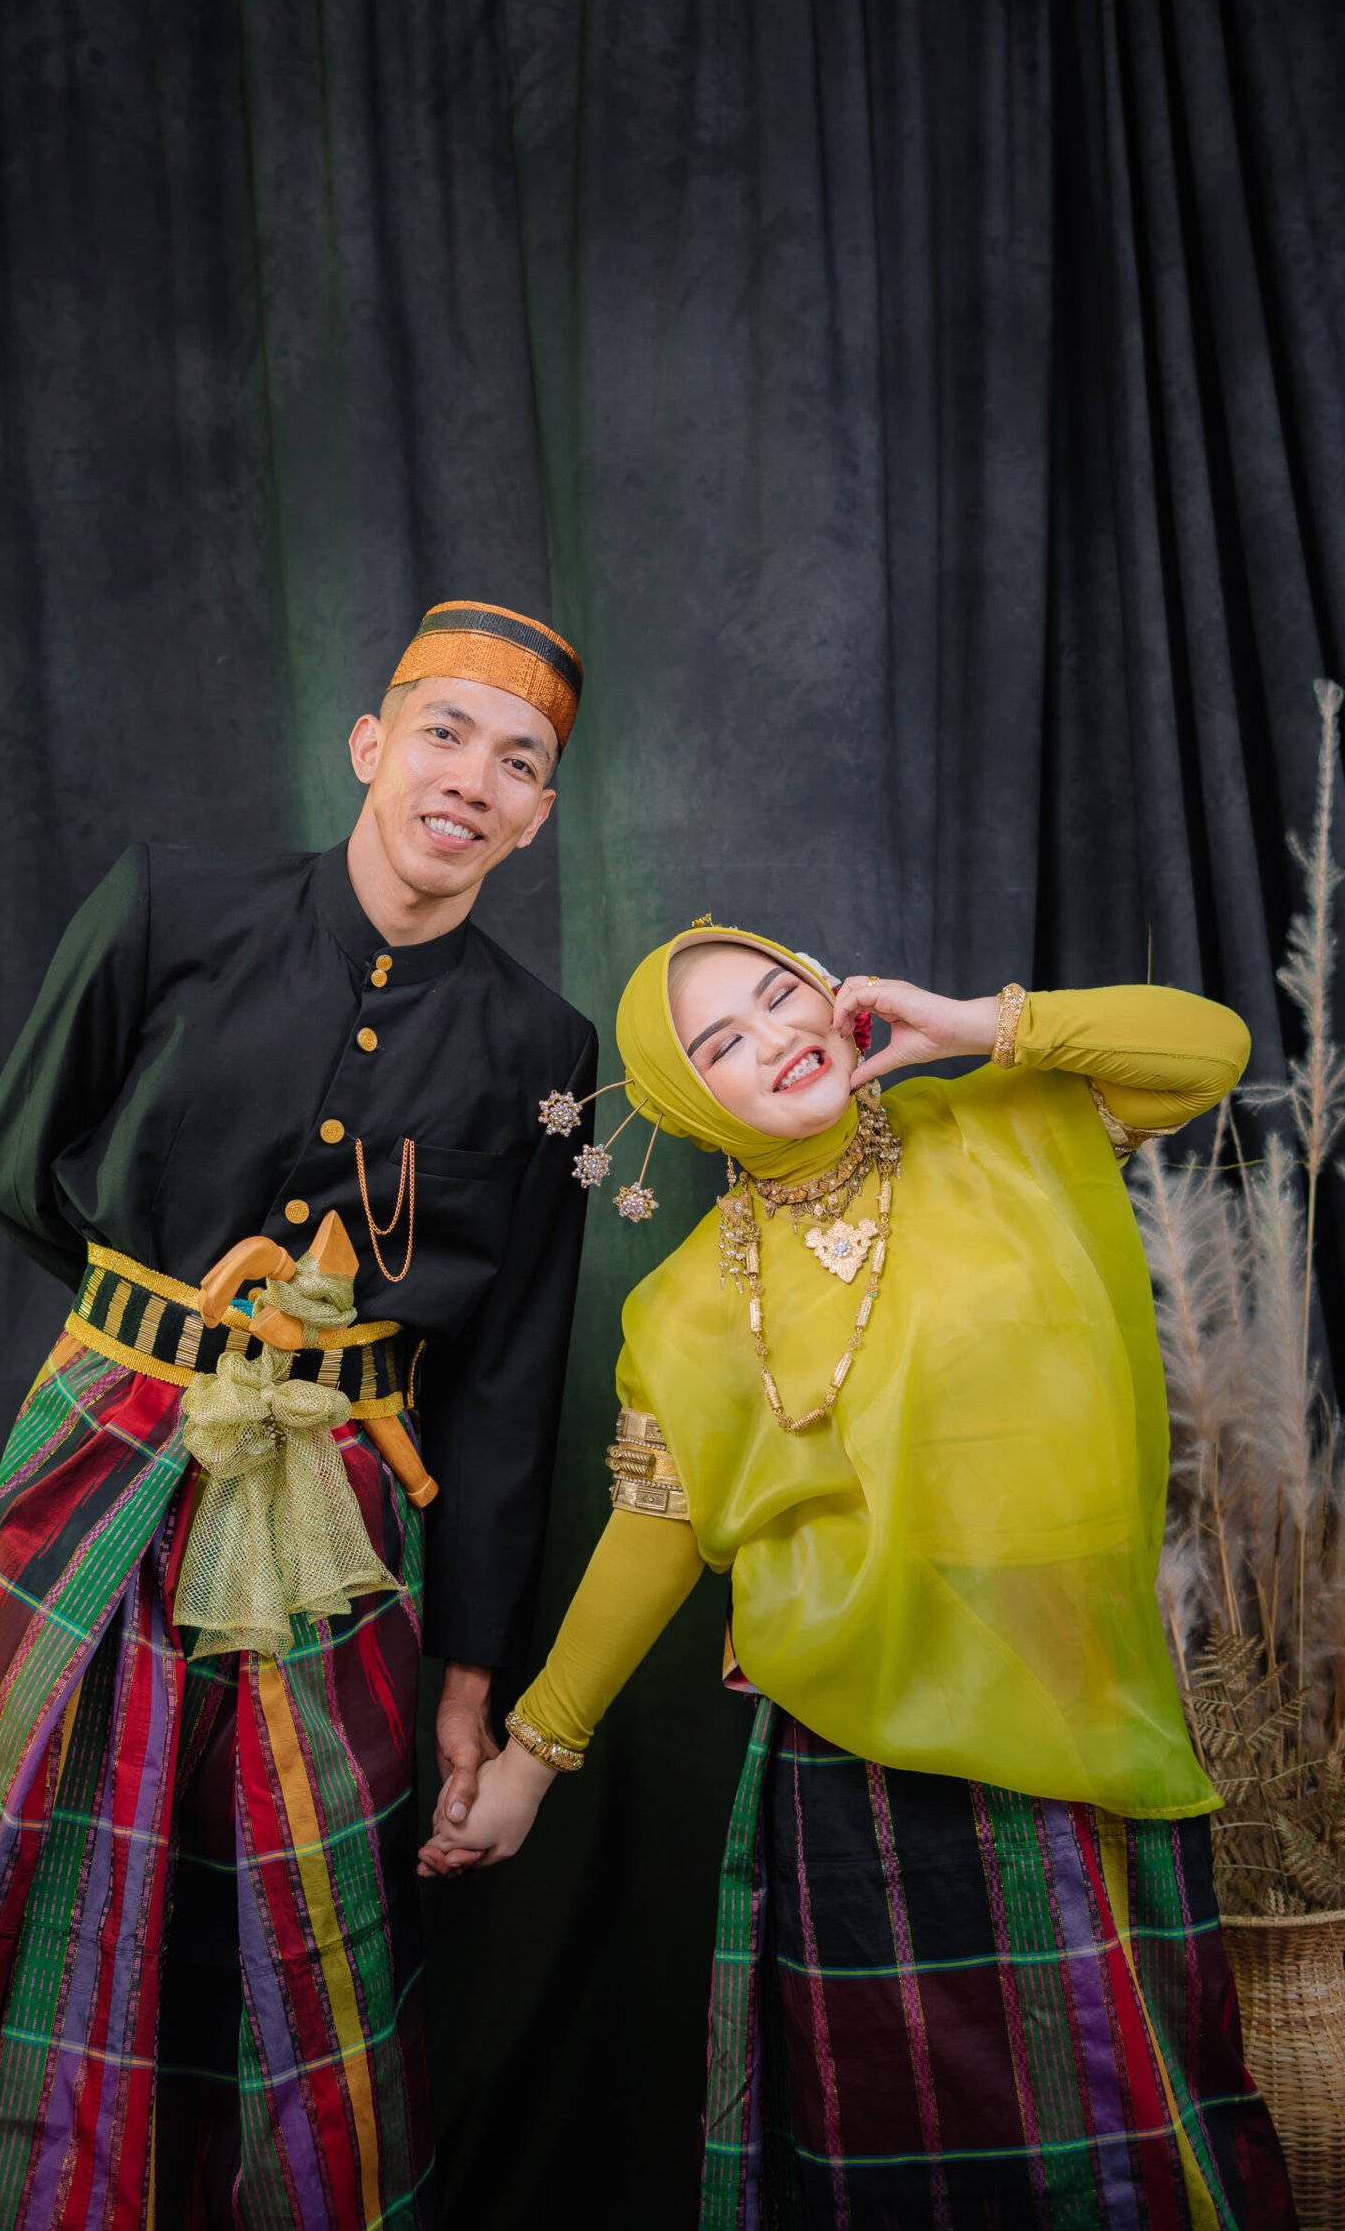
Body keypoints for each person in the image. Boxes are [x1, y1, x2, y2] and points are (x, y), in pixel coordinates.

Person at [0, 600, 596, 2231]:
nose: (472, 778)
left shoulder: (545, 1051)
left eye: (519, 761)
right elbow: (13, 1158)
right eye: (443, 731)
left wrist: (474, 1677)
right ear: (370, 744)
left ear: (538, 816)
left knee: (296, 1911)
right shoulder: (168, 904)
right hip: (105, 1459)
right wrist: (162, 1345)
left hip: (348, 1526)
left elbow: (507, 1383)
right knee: (50, 1859)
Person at [422, 931, 1297, 2228]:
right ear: (686, 1103)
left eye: (782, 992)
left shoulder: (1006, 1121)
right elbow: (655, 1534)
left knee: (1125, 2121)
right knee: (907, 2146)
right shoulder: (684, 1309)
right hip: (856, 1754)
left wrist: (972, 1023)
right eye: (722, 1043)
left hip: (1070, 1698)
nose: (776, 1035)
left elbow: (1210, 1049)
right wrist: (531, 1761)